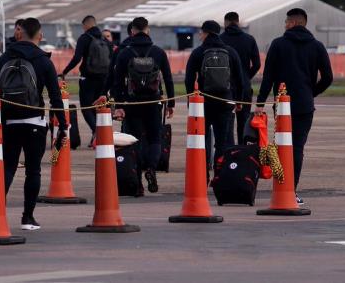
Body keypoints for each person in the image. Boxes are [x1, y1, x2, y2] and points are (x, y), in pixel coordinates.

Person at [0, 17, 66, 231]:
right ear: (39, 35)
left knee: (7, 168)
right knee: (33, 171)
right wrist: (63, 125)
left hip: (9, 121)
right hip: (35, 122)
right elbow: (55, 97)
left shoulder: (4, 58)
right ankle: (28, 217)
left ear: (20, 33)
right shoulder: (43, 61)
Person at [255, 8, 332, 204]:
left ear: (293, 23)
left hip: (282, 106)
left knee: (281, 147)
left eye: (286, 22)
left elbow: (268, 76)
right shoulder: (317, 46)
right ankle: (292, 190)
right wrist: (311, 92)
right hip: (304, 105)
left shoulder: (278, 44)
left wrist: (260, 103)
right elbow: (328, 77)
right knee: (297, 148)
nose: (284, 25)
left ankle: (280, 188)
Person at [112, 17, 174, 193]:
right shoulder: (158, 52)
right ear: (147, 30)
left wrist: (119, 104)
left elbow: (117, 81)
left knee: (134, 140)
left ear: (132, 31)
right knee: (155, 139)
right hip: (153, 102)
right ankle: (152, 168)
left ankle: (138, 182)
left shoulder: (125, 53)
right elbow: (168, 79)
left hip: (132, 103)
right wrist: (171, 103)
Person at [184, 20, 245, 179]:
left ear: (206, 33)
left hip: (204, 103)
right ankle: (220, 175)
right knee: (222, 142)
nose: (200, 34)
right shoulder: (230, 51)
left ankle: (203, 175)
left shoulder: (198, 52)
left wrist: (191, 101)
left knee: (202, 140)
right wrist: (238, 100)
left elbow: (189, 79)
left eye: (201, 32)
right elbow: (240, 79)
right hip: (225, 102)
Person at [60, 16, 110, 146]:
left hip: (88, 77)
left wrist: (65, 71)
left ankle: (97, 132)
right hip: (103, 78)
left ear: (86, 25)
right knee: (97, 107)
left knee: (86, 107)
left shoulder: (84, 38)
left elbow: (77, 58)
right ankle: (98, 134)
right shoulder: (104, 39)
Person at [220, 12, 261, 145]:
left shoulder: (220, 39)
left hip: (225, 87)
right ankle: (242, 151)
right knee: (243, 122)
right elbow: (257, 64)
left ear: (225, 23)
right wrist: (246, 77)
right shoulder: (249, 39)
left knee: (226, 123)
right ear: (238, 22)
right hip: (244, 87)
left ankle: (228, 151)